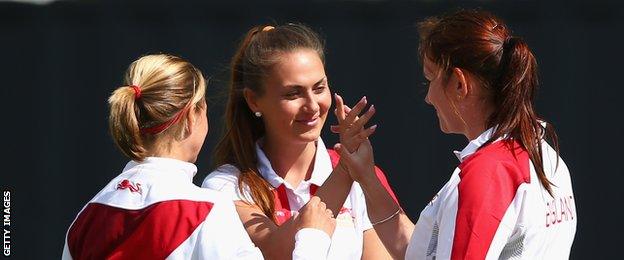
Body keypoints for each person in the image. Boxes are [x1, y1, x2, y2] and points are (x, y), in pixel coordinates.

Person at [333, 10, 577, 260]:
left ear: (460, 84)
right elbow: (423, 254)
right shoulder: (545, 155)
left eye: (430, 79)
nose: (428, 98)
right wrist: (366, 177)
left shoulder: (489, 173)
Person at [61, 54, 337, 260]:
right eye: (203, 107)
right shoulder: (205, 210)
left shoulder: (87, 216)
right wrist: (312, 237)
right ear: (192, 117)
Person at [202, 24, 398, 259]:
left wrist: (352, 168)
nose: (313, 106)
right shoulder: (225, 187)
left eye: (319, 88)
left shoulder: (363, 175)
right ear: (254, 101)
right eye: (293, 94)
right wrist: (346, 169)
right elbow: (273, 252)